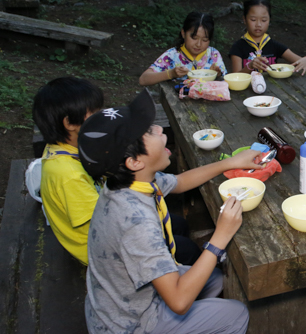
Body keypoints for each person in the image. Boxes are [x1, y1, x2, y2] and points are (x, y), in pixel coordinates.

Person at [79, 89, 261, 334]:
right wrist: (220, 237)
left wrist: (230, 163)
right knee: (236, 314)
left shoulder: (128, 182)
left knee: (216, 279)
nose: (159, 130)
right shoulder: (135, 221)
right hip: (129, 323)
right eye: (147, 131)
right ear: (134, 162)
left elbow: (180, 182)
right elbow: (178, 301)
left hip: (123, 300)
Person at [33, 77, 104, 265]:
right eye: (95, 113)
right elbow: (105, 225)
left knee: (173, 223)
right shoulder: (68, 174)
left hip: (98, 233)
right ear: (70, 123)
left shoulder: (62, 147)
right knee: (183, 248)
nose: (103, 116)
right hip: (99, 252)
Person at [139, 11, 227, 86]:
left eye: (205, 40)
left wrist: (217, 75)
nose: (199, 44)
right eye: (194, 38)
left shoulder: (213, 55)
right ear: (183, 33)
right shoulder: (172, 56)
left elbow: (226, 81)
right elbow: (143, 79)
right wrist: (171, 73)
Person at [229, 0, 306, 75]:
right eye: (253, 20)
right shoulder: (238, 47)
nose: (258, 24)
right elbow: (235, 77)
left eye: (264, 20)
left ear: (269, 21)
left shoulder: (274, 45)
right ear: (244, 20)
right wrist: (250, 66)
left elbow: (301, 62)